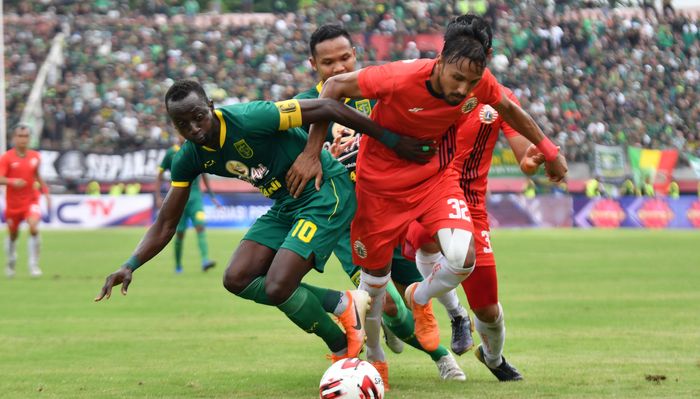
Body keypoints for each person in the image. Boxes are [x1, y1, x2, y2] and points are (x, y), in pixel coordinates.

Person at [300, 13, 567, 377]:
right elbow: (330, 91)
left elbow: (508, 108)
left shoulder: (479, 83)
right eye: (457, 78)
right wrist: (311, 153)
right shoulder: (396, 76)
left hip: (435, 182)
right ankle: (375, 354)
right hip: (378, 189)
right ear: (440, 60)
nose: (462, 90)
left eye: (471, 81)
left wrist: (548, 151)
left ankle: (423, 300)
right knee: (375, 287)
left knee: (462, 257)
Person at [95, 80, 434, 364]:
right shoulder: (188, 157)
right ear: (173, 125)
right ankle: (343, 313)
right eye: (183, 124)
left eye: (199, 117)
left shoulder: (252, 117)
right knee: (236, 278)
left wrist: (392, 141)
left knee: (277, 285)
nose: (194, 129)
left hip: (322, 191)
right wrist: (131, 263)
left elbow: (328, 108)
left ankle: (345, 342)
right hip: (286, 204)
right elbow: (166, 222)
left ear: (211, 105)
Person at [294, 24, 467, 385]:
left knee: (411, 294)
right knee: (385, 302)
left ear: (356, 54)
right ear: (313, 64)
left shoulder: (379, 90)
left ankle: (436, 327)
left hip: (393, 207)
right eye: (328, 62)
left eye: (345, 58)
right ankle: (440, 357)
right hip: (347, 221)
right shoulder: (304, 109)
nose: (339, 68)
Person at [405, 84, 546, 382]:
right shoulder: (427, 86)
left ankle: (492, 358)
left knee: (488, 311)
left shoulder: (501, 97)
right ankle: (454, 313)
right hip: (431, 192)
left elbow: (524, 155)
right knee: (426, 242)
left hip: (472, 205)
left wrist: (530, 160)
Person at [155, 135, 219, 273]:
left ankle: (205, 260)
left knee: (200, 227)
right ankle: (178, 266)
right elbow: (159, 174)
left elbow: (203, 174)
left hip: (195, 198)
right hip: (179, 199)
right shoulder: (171, 153)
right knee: (180, 234)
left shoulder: (196, 149)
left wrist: (212, 195)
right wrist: (158, 196)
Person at [0, 124, 51, 278]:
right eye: (20, 136)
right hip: (13, 204)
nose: (23, 139)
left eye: (26, 136)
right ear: (14, 138)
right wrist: (12, 182)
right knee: (13, 235)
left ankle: (34, 265)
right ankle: (11, 261)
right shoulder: (6, 158)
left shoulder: (35, 156)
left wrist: (46, 193)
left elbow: (37, 175)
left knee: (34, 227)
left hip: (31, 200)